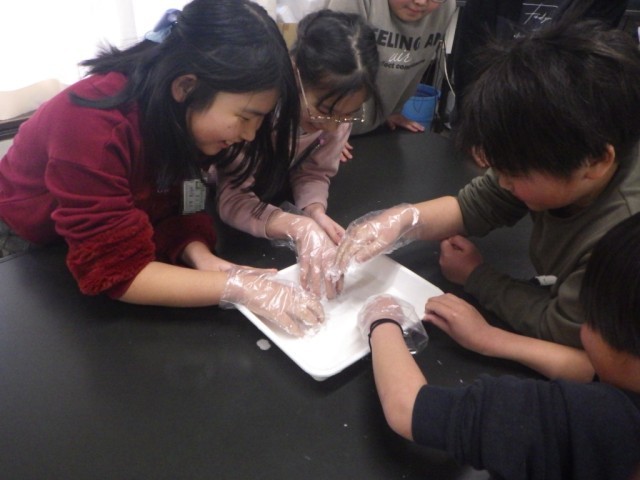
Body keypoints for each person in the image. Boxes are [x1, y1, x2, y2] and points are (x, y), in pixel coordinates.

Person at [0, 0, 324, 337]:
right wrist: (238, 288)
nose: (250, 135)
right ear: (186, 87)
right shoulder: (91, 126)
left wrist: (203, 258)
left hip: (102, 229)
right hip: (27, 240)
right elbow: (120, 272)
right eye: (245, 117)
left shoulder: (185, 119)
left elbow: (178, 201)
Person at [334, 21, 640, 373]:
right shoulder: (556, 154)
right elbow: (477, 205)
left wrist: (477, 277)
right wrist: (402, 220)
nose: (503, 182)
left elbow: (564, 331)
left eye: (514, 173)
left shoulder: (623, 240)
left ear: (596, 162)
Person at [358, 212, 640, 480]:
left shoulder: (584, 420)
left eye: (590, 318)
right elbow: (589, 369)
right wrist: (490, 338)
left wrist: (382, 319)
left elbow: (409, 409)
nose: (583, 330)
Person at [215, 9, 381, 299]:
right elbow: (232, 197)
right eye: (323, 111)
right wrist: (296, 226)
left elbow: (314, 171)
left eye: (348, 115)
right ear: (295, 72)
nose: (333, 126)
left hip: (268, 194)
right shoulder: (255, 117)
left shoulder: (337, 114)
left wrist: (314, 211)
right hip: (215, 211)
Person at [326, 0, 456, 134]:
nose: (421, 2)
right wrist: (331, 128)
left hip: (370, 126)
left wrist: (391, 111)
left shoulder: (445, 7)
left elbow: (416, 65)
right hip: (326, 124)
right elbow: (328, 72)